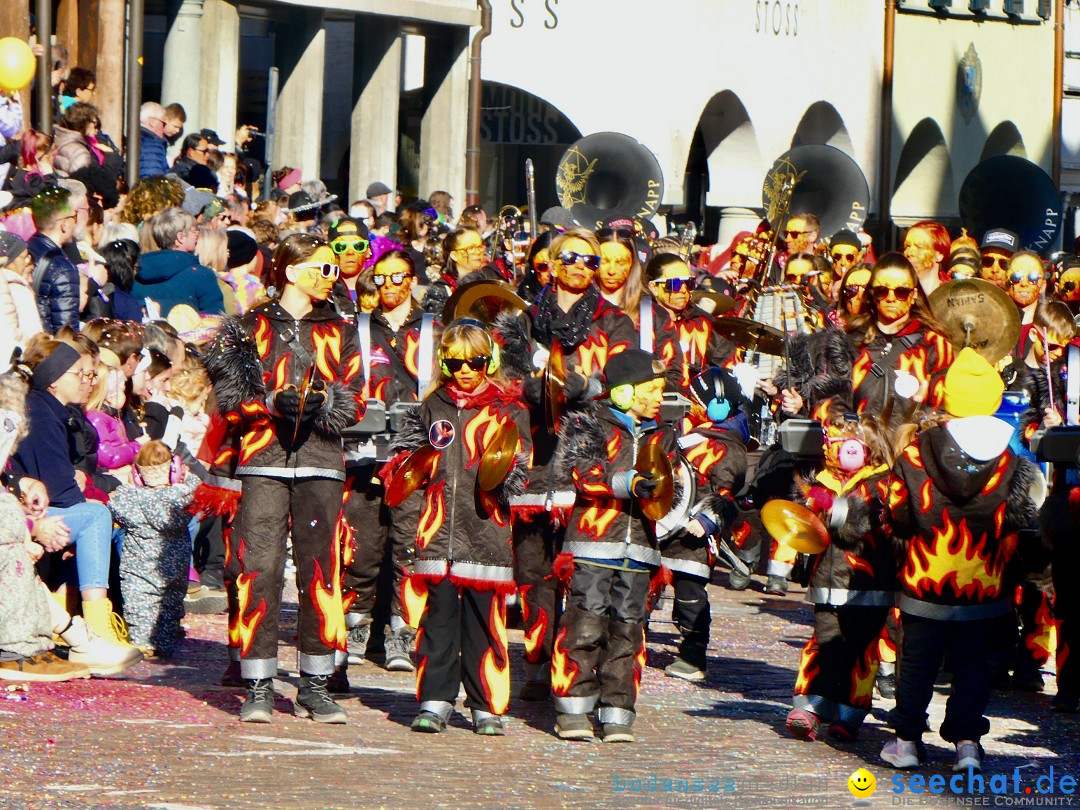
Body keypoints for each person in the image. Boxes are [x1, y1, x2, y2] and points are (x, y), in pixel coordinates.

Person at [204, 233, 363, 723]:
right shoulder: (248, 327)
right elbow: (230, 401)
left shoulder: (342, 327)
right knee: (260, 569)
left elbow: (356, 397)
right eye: (324, 268)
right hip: (262, 461)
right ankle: (257, 684)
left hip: (322, 462)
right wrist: (270, 404)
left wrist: (328, 404)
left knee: (322, 572)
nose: (331, 277)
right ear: (292, 271)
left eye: (334, 270)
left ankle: (316, 684)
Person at [493, 228, 636, 701]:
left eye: (591, 261)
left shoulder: (614, 320)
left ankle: (569, 667)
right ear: (551, 263)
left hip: (589, 453)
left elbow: (623, 381)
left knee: (579, 570)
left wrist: (584, 387)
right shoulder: (524, 318)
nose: (580, 266)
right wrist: (526, 388)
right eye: (570, 257)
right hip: (535, 449)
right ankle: (535, 657)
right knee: (532, 567)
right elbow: (502, 374)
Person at [881, 348, 1040, 773]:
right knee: (972, 666)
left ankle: (907, 743)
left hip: (925, 577)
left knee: (915, 664)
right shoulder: (1009, 458)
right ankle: (968, 744)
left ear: (949, 398)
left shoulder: (914, 453)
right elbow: (1020, 519)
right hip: (983, 583)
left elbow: (897, 513)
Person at [389, 321, 529, 735]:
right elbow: (410, 466)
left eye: (476, 361)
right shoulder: (432, 405)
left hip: (486, 532)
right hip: (437, 532)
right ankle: (435, 700)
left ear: (491, 361)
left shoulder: (509, 409)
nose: (466, 370)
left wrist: (505, 476)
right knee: (438, 620)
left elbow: (522, 467)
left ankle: (487, 705)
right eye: (455, 362)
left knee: (486, 623)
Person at [552, 349, 674, 742]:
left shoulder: (663, 435)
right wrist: (630, 483)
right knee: (585, 628)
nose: (659, 398)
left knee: (628, 631)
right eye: (652, 390)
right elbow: (586, 476)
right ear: (624, 392)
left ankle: (618, 709)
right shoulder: (589, 425)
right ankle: (573, 706)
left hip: (639, 548)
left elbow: (674, 487)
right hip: (592, 543)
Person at [10, 339, 142, 659]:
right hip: (25, 512)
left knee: (96, 514)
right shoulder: (41, 415)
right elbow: (59, 487)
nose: (89, 381)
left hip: (33, 506)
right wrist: (92, 501)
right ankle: (94, 628)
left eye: (90, 375)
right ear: (55, 379)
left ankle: (73, 621)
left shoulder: (53, 410)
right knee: (95, 517)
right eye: (81, 374)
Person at [340, 249, 435, 674]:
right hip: (365, 452)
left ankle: (402, 631)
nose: (390, 286)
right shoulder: (357, 328)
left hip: (415, 454)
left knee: (408, 546)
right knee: (361, 548)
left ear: (412, 279)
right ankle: (356, 627)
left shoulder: (434, 329)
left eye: (399, 278)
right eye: (381, 279)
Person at [785, 409, 896, 743]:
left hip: (867, 583)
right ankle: (812, 707)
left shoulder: (884, 482)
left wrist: (837, 509)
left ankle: (851, 712)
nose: (845, 448)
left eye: (854, 442)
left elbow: (862, 526)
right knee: (824, 642)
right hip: (826, 582)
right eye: (839, 442)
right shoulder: (820, 479)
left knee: (860, 649)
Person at [661, 367, 749, 682]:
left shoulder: (727, 446)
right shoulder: (692, 435)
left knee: (689, 592)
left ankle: (693, 654)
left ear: (717, 406)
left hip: (695, 534)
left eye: (696, 399)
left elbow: (725, 493)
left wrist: (706, 519)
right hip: (670, 524)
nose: (689, 403)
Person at [109, 441, 198, 657]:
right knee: (170, 604)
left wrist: (129, 485)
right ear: (174, 470)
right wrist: (189, 477)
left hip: (137, 571)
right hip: (174, 568)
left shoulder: (129, 498)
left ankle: (142, 643)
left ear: (138, 473)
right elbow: (197, 490)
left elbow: (114, 504)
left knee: (139, 607)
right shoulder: (181, 498)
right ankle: (164, 643)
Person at [132, 207, 225, 316]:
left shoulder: (136, 275)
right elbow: (215, 322)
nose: (197, 234)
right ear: (180, 237)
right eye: (194, 230)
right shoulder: (202, 275)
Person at [27, 186, 81, 334]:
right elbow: (66, 332)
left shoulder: (24, 251)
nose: (75, 222)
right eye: (74, 216)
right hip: (48, 351)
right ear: (64, 224)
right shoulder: (62, 267)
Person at [53, 103, 106, 177]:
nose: (95, 126)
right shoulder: (80, 152)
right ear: (84, 123)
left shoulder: (56, 138)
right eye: (94, 122)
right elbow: (81, 183)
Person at [902, 221, 950, 296]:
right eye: (907, 246)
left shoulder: (953, 296)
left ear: (939, 254)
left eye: (919, 247)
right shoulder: (898, 294)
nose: (910, 253)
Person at [1005, 250, 1046, 326]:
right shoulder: (993, 320)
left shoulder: (1052, 326)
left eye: (1033, 278)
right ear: (1006, 283)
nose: (1024, 283)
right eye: (1016, 277)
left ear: (1043, 286)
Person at [138, 102, 171, 179]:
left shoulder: (136, 139)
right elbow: (154, 184)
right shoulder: (152, 145)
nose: (164, 128)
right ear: (152, 122)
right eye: (164, 123)